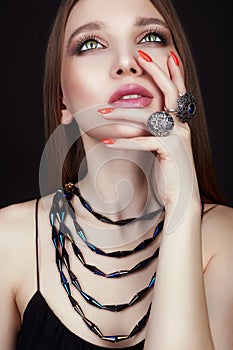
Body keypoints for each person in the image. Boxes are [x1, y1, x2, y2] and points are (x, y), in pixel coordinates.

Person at [0, 0, 232, 349]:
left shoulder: (225, 238)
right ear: (63, 101)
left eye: (151, 37)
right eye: (91, 44)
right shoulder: (8, 242)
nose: (126, 63)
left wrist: (181, 206)